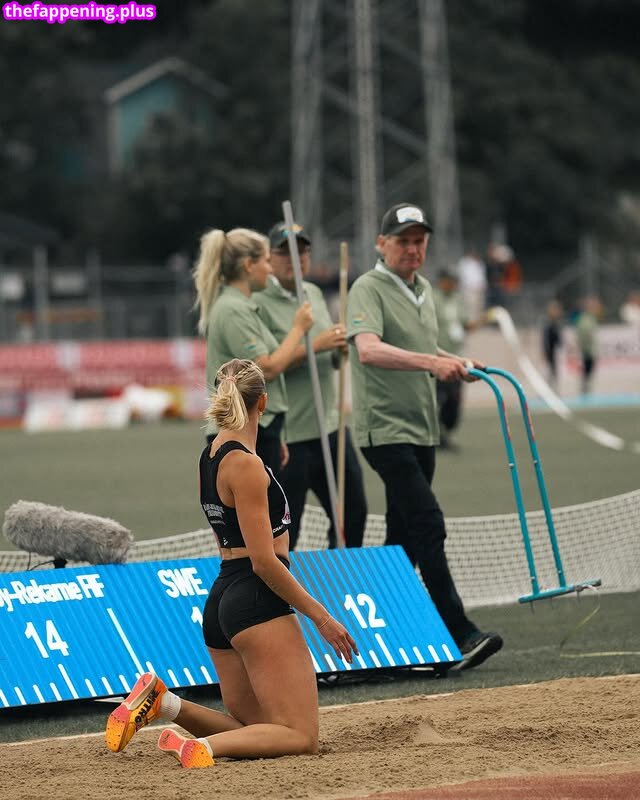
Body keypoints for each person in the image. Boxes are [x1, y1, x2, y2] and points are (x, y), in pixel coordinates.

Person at [105, 358, 358, 767]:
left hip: (223, 597)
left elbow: (224, 537)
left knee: (257, 729)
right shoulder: (246, 465)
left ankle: (164, 703)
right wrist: (322, 618)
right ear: (263, 403)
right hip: (256, 598)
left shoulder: (209, 456)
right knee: (301, 736)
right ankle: (202, 748)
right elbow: (264, 563)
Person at [346, 202, 503, 671]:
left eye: (419, 241)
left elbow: (420, 346)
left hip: (422, 427)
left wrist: (454, 361)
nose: (413, 249)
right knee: (428, 522)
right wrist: (434, 363)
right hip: (383, 429)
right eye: (403, 241)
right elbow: (368, 349)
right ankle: (459, 632)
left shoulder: (424, 289)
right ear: (382, 244)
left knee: (404, 540)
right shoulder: (367, 287)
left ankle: (381, 632)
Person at [253, 221, 367, 549]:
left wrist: (339, 351)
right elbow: (269, 366)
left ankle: (341, 574)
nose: (296, 258)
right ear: (269, 259)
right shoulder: (258, 302)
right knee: (288, 528)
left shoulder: (314, 293)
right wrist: (316, 345)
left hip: (330, 428)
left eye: (302, 251)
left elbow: (329, 355)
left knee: (354, 514)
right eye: (285, 252)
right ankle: (283, 582)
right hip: (290, 436)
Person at [192, 227, 314, 479]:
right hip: (238, 431)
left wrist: (271, 434)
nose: (270, 269)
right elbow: (265, 368)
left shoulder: (241, 306)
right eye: (267, 261)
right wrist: (298, 328)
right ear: (248, 265)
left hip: (254, 429)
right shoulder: (233, 310)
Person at [432, 269, 476, 450]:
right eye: (449, 280)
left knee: (453, 400)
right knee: (434, 399)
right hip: (434, 359)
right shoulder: (431, 298)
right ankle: (435, 436)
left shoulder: (458, 300)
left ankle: (446, 432)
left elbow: (466, 324)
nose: (452, 284)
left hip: (455, 357)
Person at [575, 296, 602, 395]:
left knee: (588, 372)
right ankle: (585, 391)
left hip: (589, 350)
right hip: (588, 351)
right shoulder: (586, 319)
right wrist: (585, 348)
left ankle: (586, 390)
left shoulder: (590, 319)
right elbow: (584, 335)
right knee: (587, 372)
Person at [541, 300, 564, 388]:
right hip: (549, 351)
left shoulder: (556, 323)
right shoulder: (548, 323)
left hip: (555, 351)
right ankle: (548, 388)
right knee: (549, 371)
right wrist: (546, 351)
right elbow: (546, 339)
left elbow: (558, 338)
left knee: (554, 371)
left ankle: (553, 387)